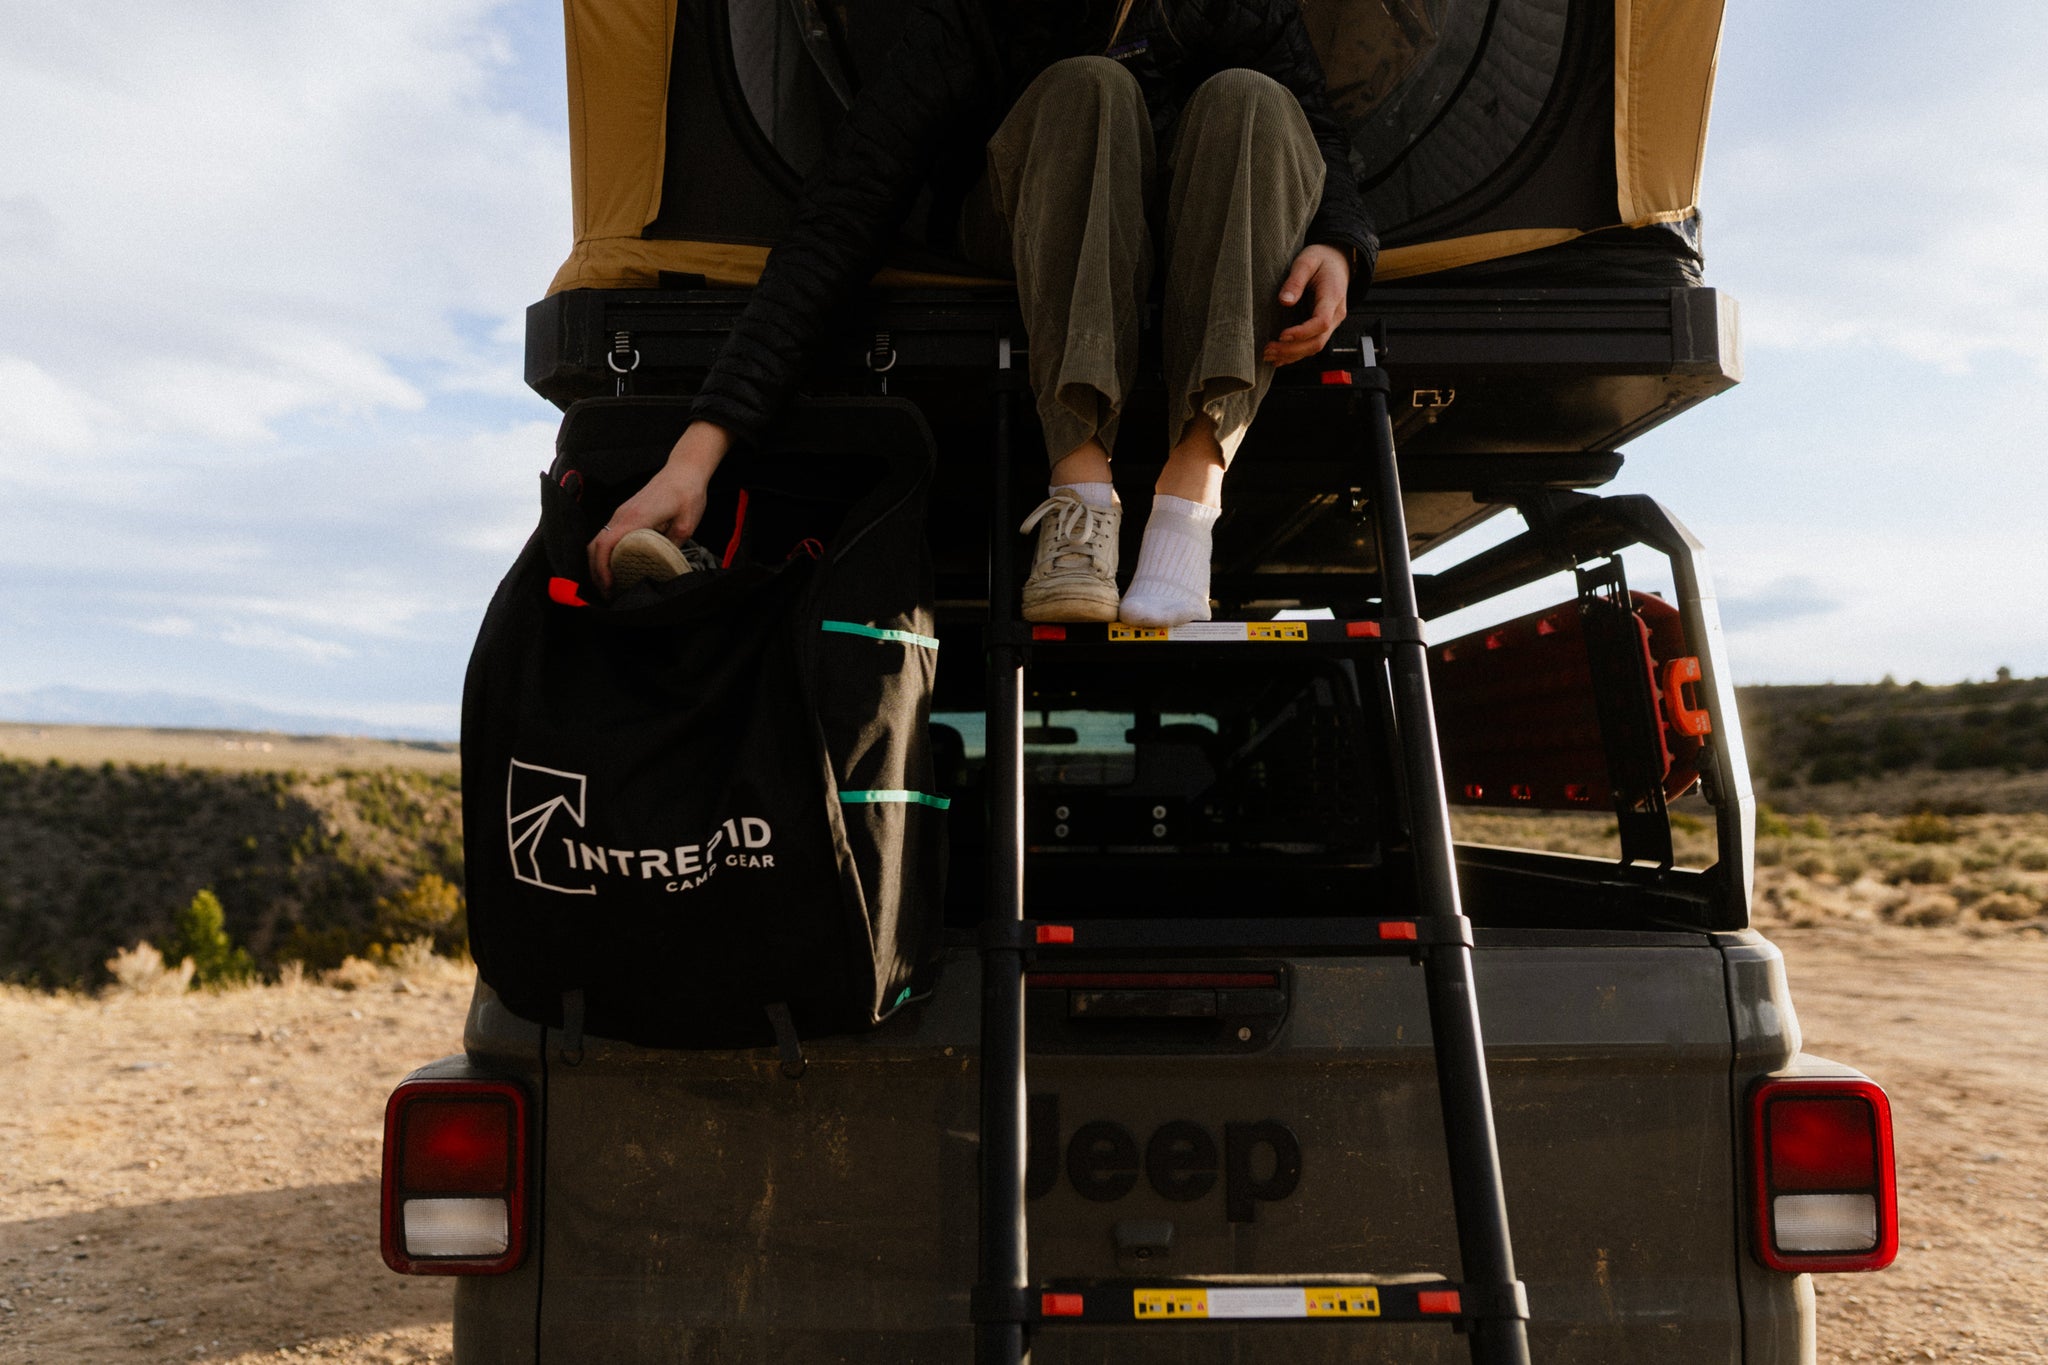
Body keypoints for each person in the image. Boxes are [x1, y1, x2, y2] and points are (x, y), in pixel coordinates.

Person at [589, 0, 1376, 624]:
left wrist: (1340, 243)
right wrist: (695, 456)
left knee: (1253, 99)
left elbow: (1319, 133)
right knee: (1089, 88)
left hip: (1207, 229)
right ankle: (1080, 493)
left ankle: (1190, 496)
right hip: (1036, 216)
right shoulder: (979, 10)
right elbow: (846, 207)